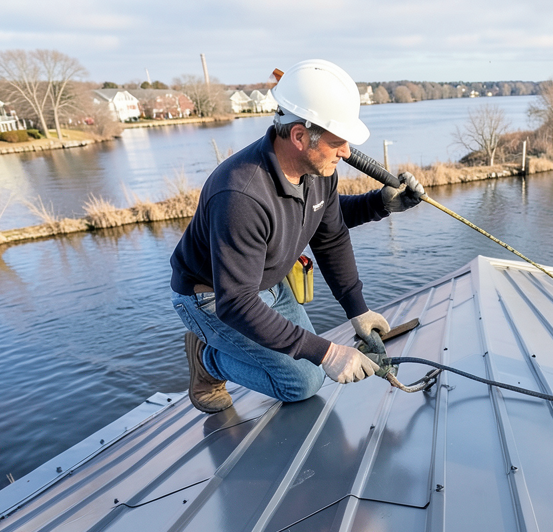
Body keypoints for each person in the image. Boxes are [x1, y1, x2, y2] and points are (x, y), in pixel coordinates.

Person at [170, 59, 425, 413]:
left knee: (311, 364)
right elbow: (236, 303)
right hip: (216, 299)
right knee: (303, 382)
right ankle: (208, 358)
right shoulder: (240, 196)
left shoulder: (318, 170)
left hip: (268, 284)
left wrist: (358, 309)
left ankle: (225, 348)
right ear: (300, 136)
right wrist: (329, 352)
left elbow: (329, 230)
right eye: (338, 142)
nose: (347, 153)